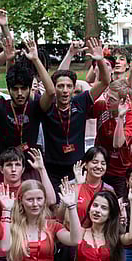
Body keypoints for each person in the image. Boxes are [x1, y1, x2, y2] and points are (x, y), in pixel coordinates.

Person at [0, 145, 56, 261]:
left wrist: (42, 169)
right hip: (2, 250)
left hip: (28, 248)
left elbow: (51, 201)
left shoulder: (29, 189)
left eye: (17, 164)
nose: (13, 169)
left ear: (23, 168)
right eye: (9, 165)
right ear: (1, 169)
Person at [0, 39, 56, 155]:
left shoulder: (36, 107)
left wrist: (36, 60)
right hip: (4, 165)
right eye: (15, 89)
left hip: (30, 166)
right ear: (9, 89)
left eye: (24, 88)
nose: (20, 93)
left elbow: (51, 92)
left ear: (30, 88)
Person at [40, 49, 110, 189]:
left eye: (69, 86)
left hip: (76, 167)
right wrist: (36, 59)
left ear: (73, 89)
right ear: (54, 88)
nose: (65, 90)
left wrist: (100, 60)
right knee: (54, 205)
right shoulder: (46, 105)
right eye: (60, 86)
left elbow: (105, 81)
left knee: (76, 206)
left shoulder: (80, 102)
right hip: (52, 168)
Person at [90, 79, 132, 197]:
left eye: (112, 99)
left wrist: (120, 117)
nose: (107, 101)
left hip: (120, 172)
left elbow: (117, 143)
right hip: (98, 167)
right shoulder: (102, 106)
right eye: (107, 96)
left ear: (123, 102)